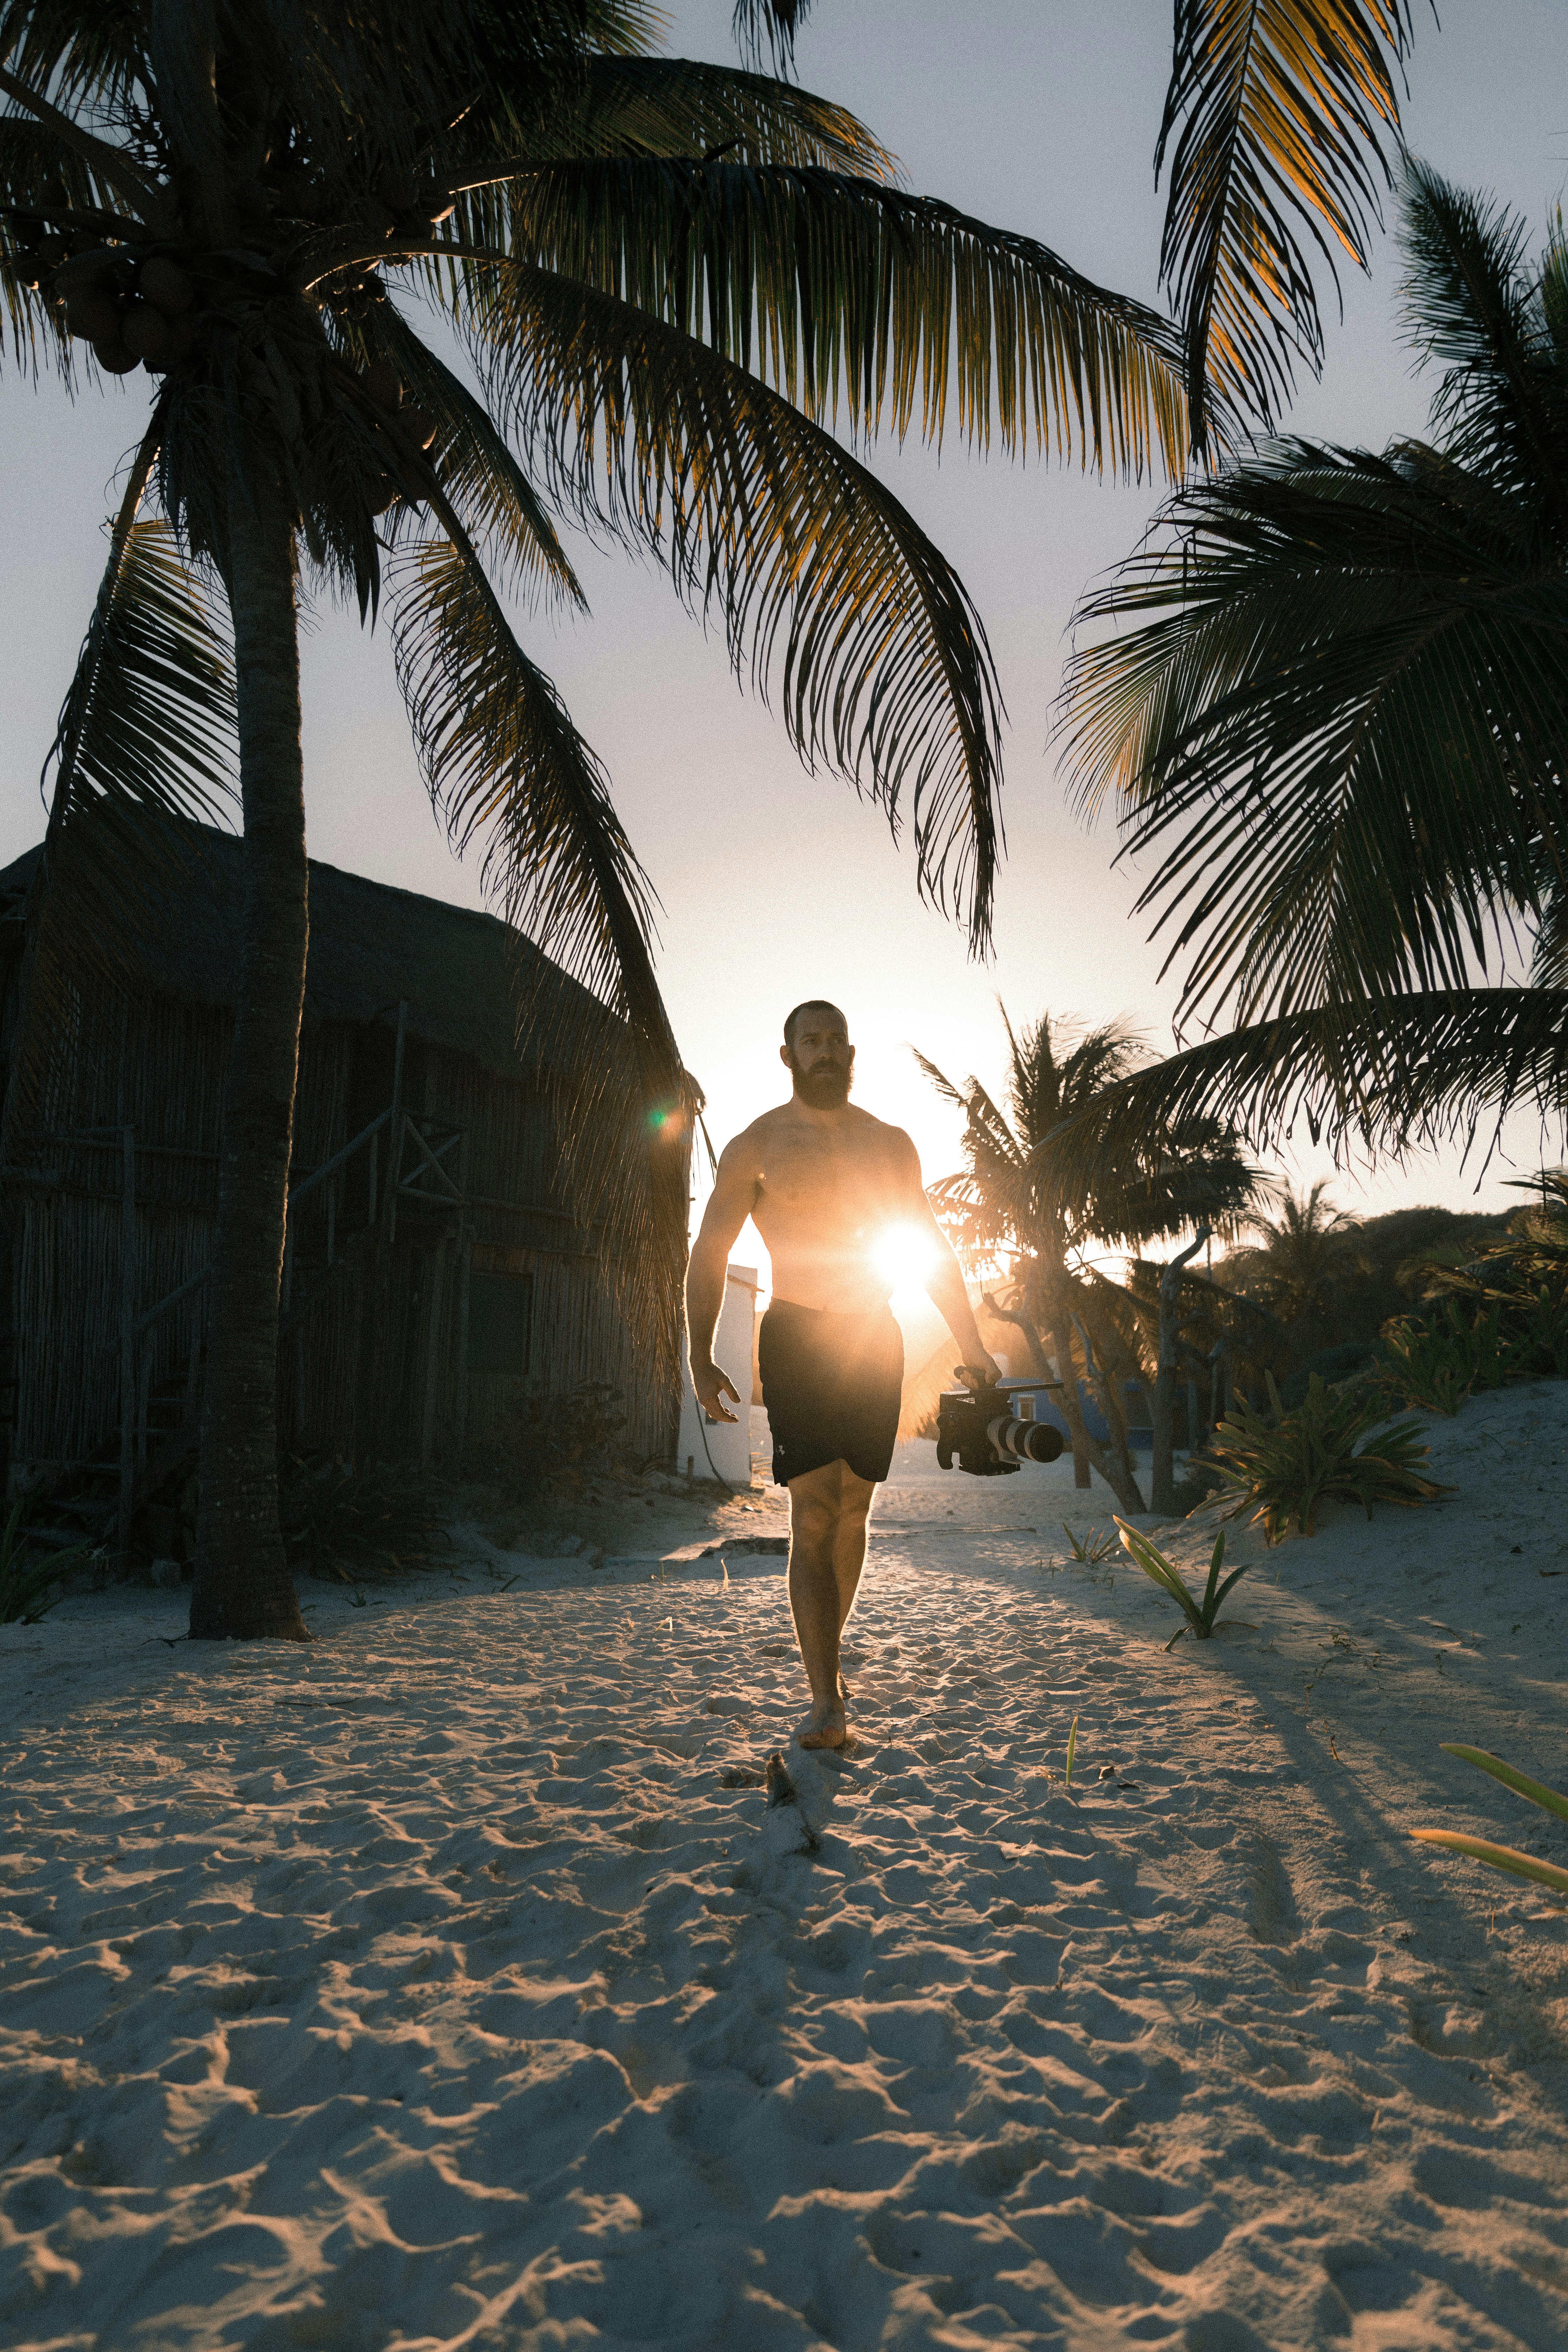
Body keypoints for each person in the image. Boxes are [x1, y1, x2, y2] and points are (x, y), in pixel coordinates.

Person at [685, 1001, 1001, 1750]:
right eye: (810, 1042)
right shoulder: (754, 1145)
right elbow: (708, 1251)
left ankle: (829, 1666)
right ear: (787, 1054)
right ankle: (826, 1696)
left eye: (835, 1041)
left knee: (854, 1510)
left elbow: (928, 1245)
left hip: (871, 1337)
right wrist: (701, 1356)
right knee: (812, 1513)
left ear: (850, 1052)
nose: (825, 1052)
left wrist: (971, 1340)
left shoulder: (890, 1146)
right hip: (796, 1335)